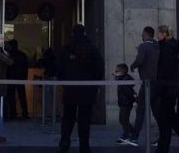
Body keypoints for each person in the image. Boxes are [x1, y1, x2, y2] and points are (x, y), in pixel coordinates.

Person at [56, 24, 103, 153]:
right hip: (87, 89)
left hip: (70, 88)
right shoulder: (92, 49)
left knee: (68, 118)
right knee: (84, 119)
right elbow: (99, 69)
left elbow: (59, 68)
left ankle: (65, 142)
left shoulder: (66, 49)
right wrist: (95, 85)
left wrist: (64, 82)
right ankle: (84, 145)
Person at [126, 26, 159, 147]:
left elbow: (140, 60)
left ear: (145, 34)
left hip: (147, 83)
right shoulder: (157, 46)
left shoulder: (143, 46)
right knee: (156, 111)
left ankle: (134, 138)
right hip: (157, 83)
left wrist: (133, 65)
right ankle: (161, 137)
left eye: (142, 34)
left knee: (140, 110)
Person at [3, 39, 29, 121]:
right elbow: (25, 67)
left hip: (11, 78)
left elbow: (7, 67)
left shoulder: (9, 55)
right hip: (20, 78)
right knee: (22, 96)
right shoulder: (22, 55)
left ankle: (13, 114)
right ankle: (25, 114)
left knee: (12, 97)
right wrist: (25, 77)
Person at [113, 64, 137, 147]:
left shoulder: (125, 80)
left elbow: (128, 92)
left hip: (126, 103)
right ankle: (133, 132)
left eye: (117, 71)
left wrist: (134, 98)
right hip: (124, 102)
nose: (115, 72)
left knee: (124, 119)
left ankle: (127, 135)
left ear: (122, 71)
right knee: (122, 119)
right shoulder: (122, 79)